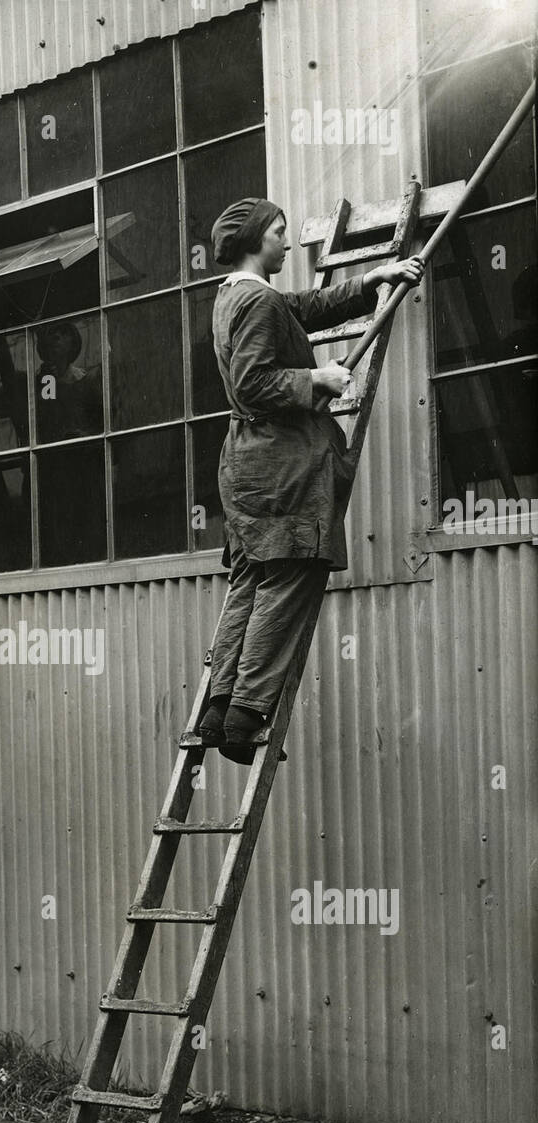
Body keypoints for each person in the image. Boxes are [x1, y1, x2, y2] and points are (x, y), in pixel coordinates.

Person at [196, 197, 423, 759]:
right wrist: (314, 377)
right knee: (292, 574)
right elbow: (253, 383)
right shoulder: (255, 303)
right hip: (280, 466)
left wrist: (373, 278)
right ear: (255, 239)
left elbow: (303, 307)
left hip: (248, 463)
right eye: (279, 232)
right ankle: (248, 716)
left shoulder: (236, 296)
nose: (289, 241)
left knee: (251, 581)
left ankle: (219, 709)